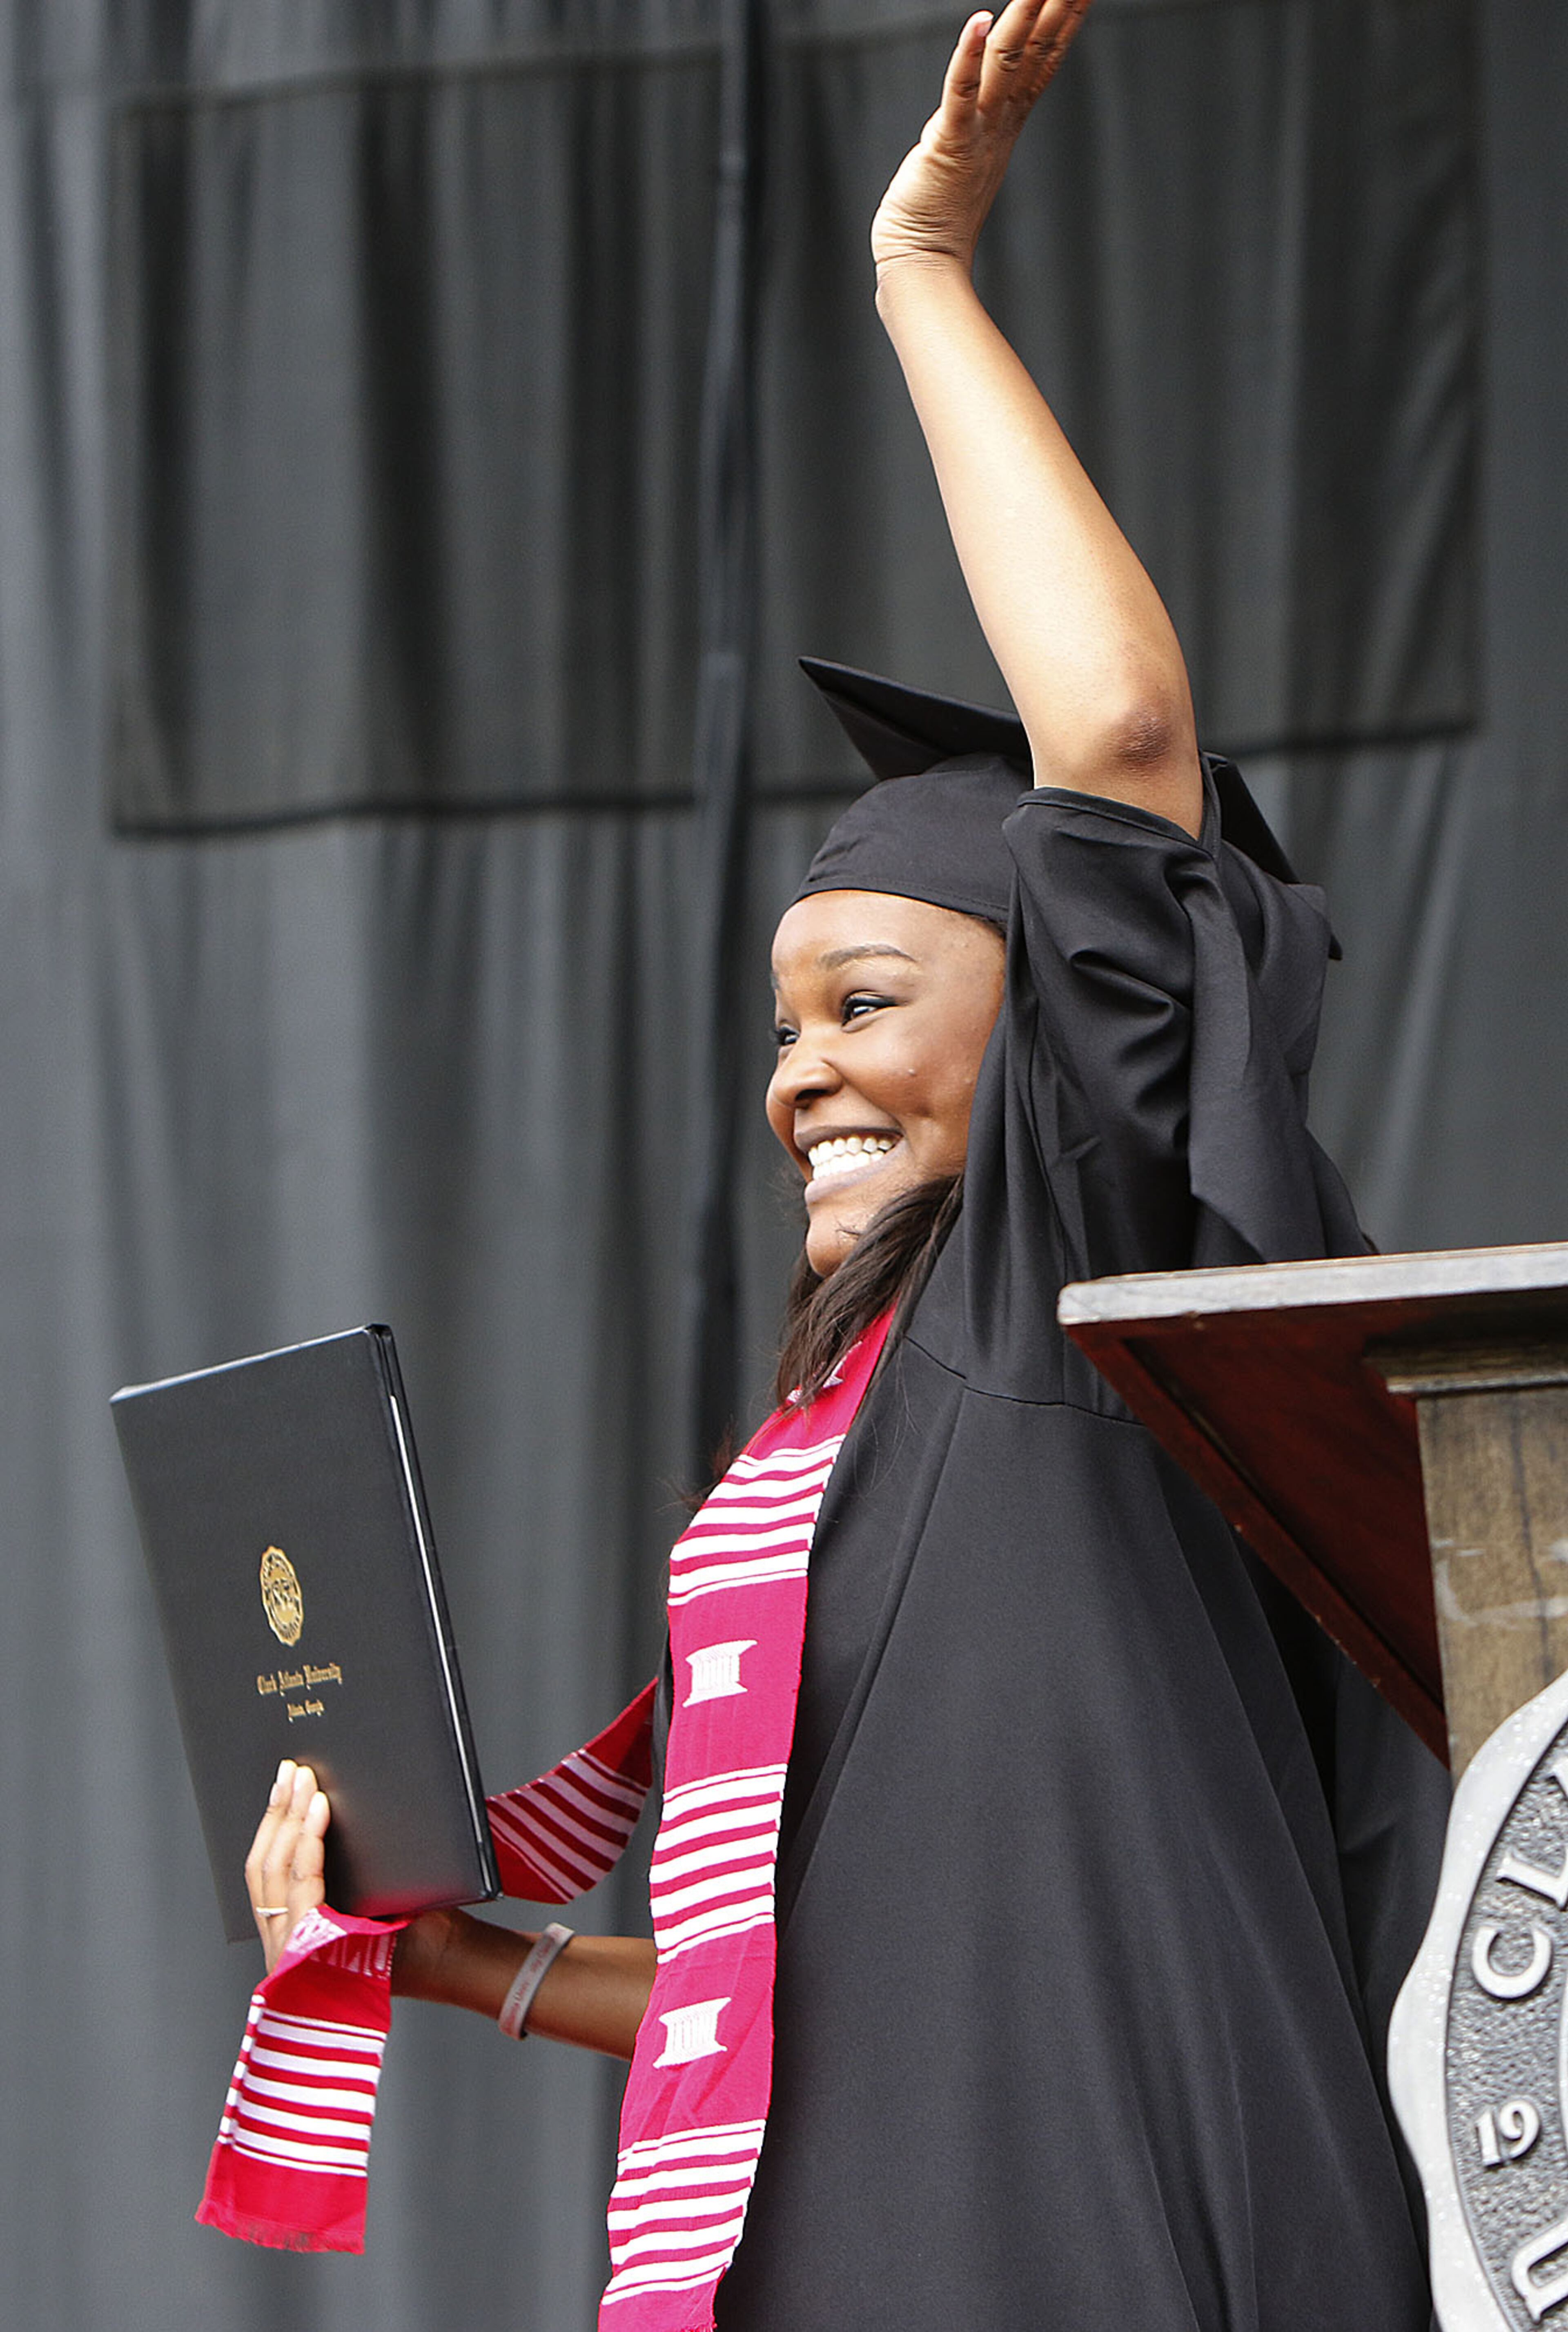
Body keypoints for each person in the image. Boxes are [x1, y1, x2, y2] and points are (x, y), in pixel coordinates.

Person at [247, 3, 1448, 2322]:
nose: (797, 1078)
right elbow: (783, 1982)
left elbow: (1113, 736)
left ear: (1084, 1029)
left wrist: (922, 263)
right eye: (780, 1028)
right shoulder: (838, 1433)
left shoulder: (1071, 1294)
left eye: (868, 1003)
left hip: (1099, 2236)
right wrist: (450, 1956)